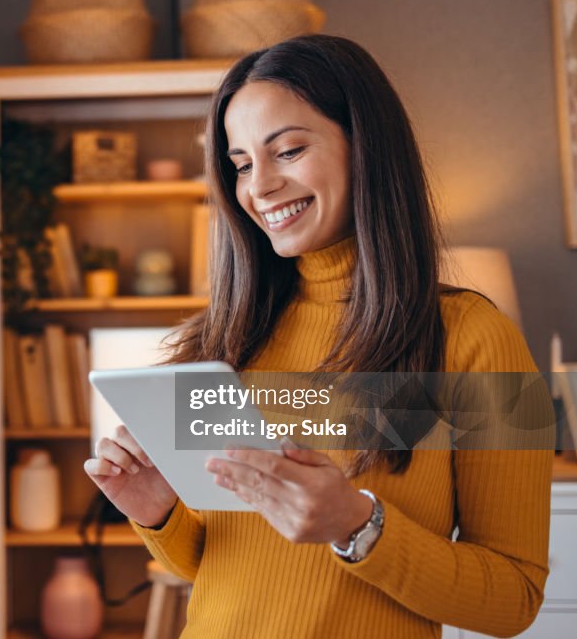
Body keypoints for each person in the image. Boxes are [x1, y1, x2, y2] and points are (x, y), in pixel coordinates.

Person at [83, 35, 552, 638]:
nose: (260, 187)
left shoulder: (477, 339)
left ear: (367, 148)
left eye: (289, 150)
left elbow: (515, 598)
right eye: (243, 164)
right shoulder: (224, 340)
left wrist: (358, 526)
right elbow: (220, 565)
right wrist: (160, 513)